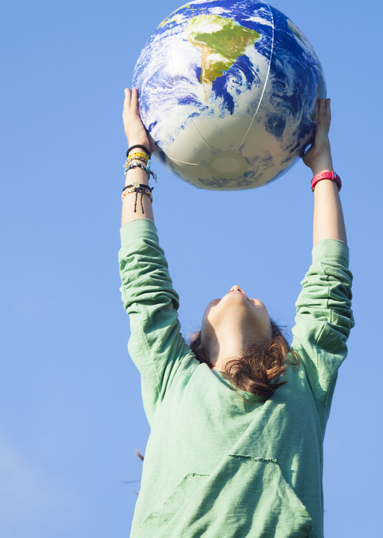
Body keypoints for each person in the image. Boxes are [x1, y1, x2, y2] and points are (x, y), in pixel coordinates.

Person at [119, 88, 354, 538]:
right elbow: (142, 278)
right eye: (225, 294)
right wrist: (137, 155)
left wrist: (324, 164)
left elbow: (328, 293)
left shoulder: (303, 381)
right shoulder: (175, 381)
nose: (235, 288)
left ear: (277, 342)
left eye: (250, 295)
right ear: (196, 346)